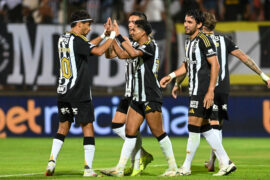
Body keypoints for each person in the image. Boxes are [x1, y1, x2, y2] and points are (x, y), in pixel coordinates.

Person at [160, 9, 235, 176]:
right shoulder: (188, 42)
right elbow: (187, 65)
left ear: (199, 24)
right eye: (185, 21)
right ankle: (226, 162)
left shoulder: (204, 40)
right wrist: (171, 77)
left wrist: (210, 91)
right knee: (204, 128)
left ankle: (186, 167)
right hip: (194, 89)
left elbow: (215, 65)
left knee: (193, 126)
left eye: (190, 22)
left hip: (202, 90)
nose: (186, 25)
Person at [101, 19, 178, 177]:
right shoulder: (136, 45)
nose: (131, 32)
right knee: (130, 132)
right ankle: (120, 168)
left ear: (143, 31)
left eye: (134, 29)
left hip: (150, 96)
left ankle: (173, 167)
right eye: (130, 29)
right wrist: (113, 36)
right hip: (137, 97)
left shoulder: (150, 45)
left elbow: (134, 53)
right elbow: (123, 54)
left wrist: (119, 35)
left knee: (158, 132)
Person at [45, 10, 117, 177]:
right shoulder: (78, 41)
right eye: (87, 24)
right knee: (88, 127)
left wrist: (104, 36)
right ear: (79, 24)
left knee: (63, 127)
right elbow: (98, 51)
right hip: (79, 92)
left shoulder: (63, 38)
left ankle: (51, 161)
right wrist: (112, 36)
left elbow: (87, 45)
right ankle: (88, 169)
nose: (89, 27)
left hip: (63, 91)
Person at [201, 11, 270, 171]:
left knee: (209, 126)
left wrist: (176, 80)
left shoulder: (200, 41)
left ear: (202, 25)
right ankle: (212, 162)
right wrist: (262, 74)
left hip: (209, 87)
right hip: (225, 87)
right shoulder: (225, 40)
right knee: (218, 124)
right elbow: (244, 57)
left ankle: (224, 162)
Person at [104, 12, 153, 176]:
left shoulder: (145, 44)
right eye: (130, 21)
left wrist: (117, 37)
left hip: (140, 92)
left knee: (131, 130)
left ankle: (134, 163)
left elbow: (128, 53)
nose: (131, 24)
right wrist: (110, 37)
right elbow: (110, 54)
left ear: (143, 24)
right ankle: (141, 155)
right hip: (129, 91)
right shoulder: (130, 41)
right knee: (118, 126)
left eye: (135, 22)